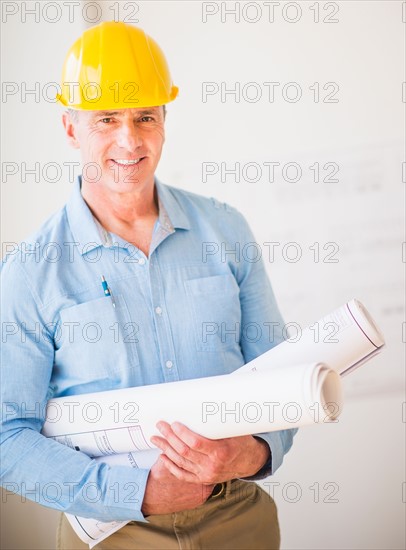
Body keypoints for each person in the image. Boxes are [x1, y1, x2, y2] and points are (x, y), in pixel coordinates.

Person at [1, 21, 297, 549]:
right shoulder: (30, 271)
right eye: (106, 119)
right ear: (70, 128)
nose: (129, 140)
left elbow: (283, 386)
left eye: (145, 117)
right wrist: (136, 492)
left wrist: (250, 453)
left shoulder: (225, 231)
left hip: (238, 519)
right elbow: (6, 438)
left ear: (165, 119)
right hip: (112, 532)